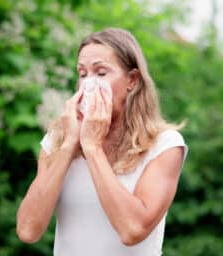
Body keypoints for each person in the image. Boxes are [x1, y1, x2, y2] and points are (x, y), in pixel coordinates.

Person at [16, 27, 188, 256]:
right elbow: (28, 230)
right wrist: (69, 145)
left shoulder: (164, 145)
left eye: (101, 73)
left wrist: (92, 147)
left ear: (133, 81)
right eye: (83, 74)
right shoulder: (58, 140)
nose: (89, 84)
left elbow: (132, 230)